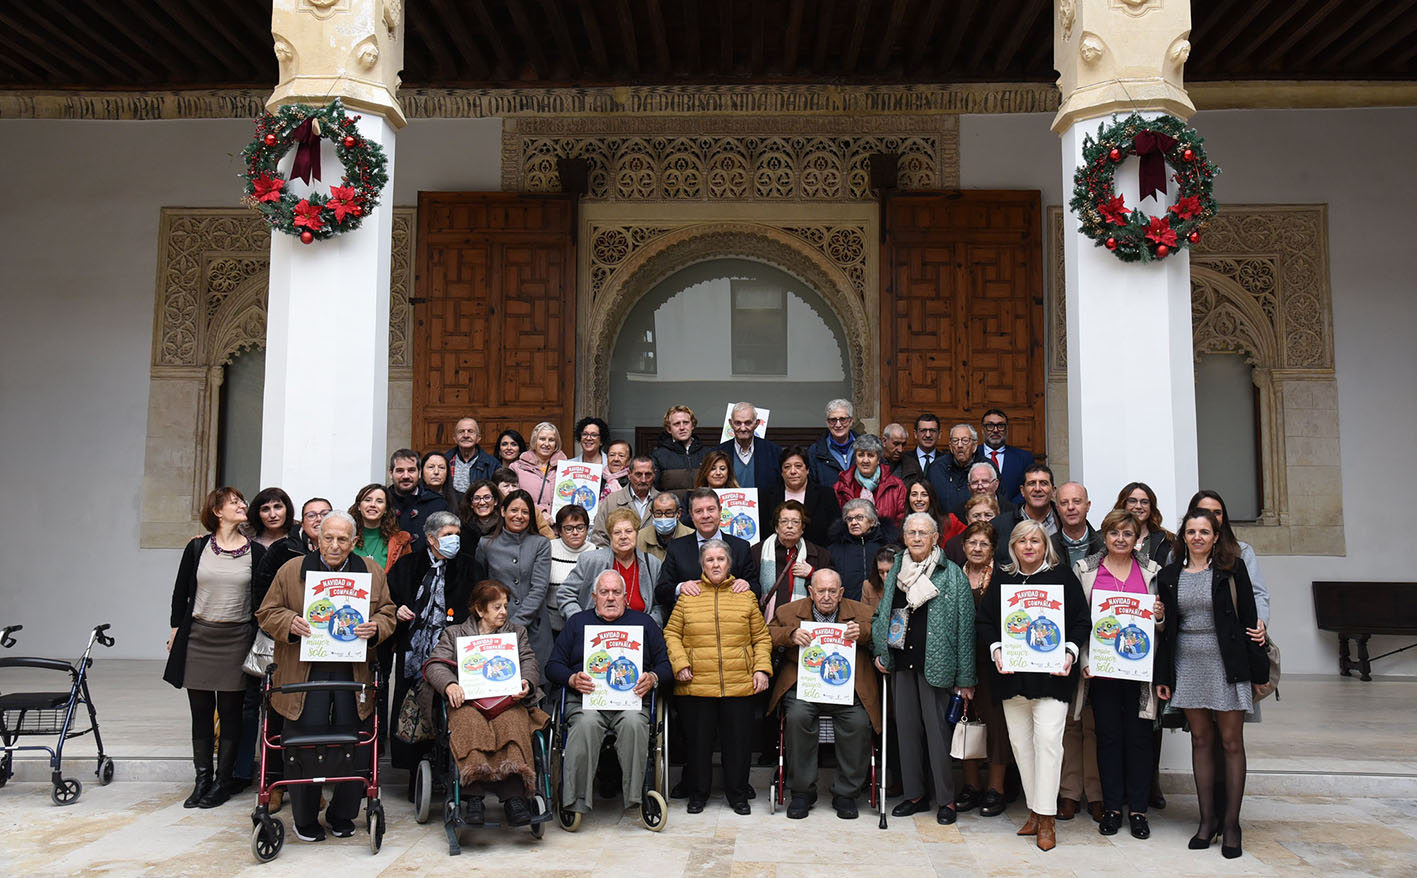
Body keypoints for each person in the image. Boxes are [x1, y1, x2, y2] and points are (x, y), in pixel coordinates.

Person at [256, 510, 395, 842]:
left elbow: (388, 611)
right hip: (303, 672)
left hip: (353, 671)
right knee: (303, 745)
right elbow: (266, 612)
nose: (334, 545)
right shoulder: (292, 571)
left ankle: (342, 814)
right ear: (317, 538)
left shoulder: (372, 571)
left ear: (354, 542)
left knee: (354, 744)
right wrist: (289, 621)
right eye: (328, 538)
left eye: (342, 539)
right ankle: (304, 819)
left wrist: (377, 627)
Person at [1155, 509, 1270, 860]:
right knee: (1202, 740)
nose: (1198, 537)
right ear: (1183, 537)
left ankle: (1232, 824)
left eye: (1204, 531)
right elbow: (1167, 629)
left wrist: (1258, 670)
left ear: (1216, 536)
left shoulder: (1231, 570)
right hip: (1187, 662)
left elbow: (1250, 619)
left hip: (1227, 663)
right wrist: (1163, 674)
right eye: (1191, 532)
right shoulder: (1170, 574)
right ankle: (1207, 822)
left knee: (1231, 741)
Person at [976, 519, 1090, 852]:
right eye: (1022, 541)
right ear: (1013, 546)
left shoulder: (1062, 577)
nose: (1029, 546)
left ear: (1045, 546)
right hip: (1012, 678)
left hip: (1053, 678)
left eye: (1035, 541)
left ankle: (1047, 818)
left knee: (1049, 744)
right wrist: (997, 649)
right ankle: (1034, 810)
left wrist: (1069, 652)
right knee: (1022, 748)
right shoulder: (1003, 579)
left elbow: (1082, 620)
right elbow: (985, 621)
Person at [164, 487, 266, 809]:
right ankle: (202, 780)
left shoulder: (256, 552)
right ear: (217, 511)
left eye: (242, 502)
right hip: (198, 637)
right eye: (234, 502)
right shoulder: (197, 548)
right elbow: (180, 593)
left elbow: (261, 600)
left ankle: (223, 782)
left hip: (236, 638)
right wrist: (175, 631)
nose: (242, 506)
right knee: (201, 713)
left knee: (232, 714)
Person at [870, 512, 975, 826]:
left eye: (923, 533)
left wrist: (966, 678)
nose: (916, 538)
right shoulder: (897, 570)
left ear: (935, 537)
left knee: (938, 735)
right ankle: (914, 795)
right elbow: (883, 615)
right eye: (911, 532)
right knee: (907, 733)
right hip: (902, 663)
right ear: (904, 537)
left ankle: (946, 799)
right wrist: (881, 651)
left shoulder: (951, 573)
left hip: (937, 663)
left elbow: (965, 628)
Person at [545, 570, 674, 819]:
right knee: (585, 725)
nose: (611, 598)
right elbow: (553, 666)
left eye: (616, 592)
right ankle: (574, 800)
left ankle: (638, 796)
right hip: (586, 702)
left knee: (635, 725)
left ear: (626, 596)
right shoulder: (577, 623)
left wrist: (653, 678)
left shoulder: (644, 623)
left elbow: (666, 666)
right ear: (594, 596)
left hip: (631, 702)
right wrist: (572, 678)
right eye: (604, 592)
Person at [419, 580, 548, 828]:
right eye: (496, 607)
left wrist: (526, 682)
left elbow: (529, 661)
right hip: (469, 701)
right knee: (468, 722)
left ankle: (514, 798)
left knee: (512, 722)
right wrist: (449, 685)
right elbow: (436, 664)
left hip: (506, 700)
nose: (503, 612)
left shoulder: (516, 633)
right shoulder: (455, 633)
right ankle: (473, 797)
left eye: (505, 606)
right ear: (479, 609)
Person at [1071, 509, 1163, 839]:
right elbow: (1079, 620)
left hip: (1140, 672)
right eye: (1114, 533)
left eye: (1127, 534)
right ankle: (1111, 808)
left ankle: (1137, 811)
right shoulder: (1086, 570)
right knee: (1108, 739)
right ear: (1104, 536)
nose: (1120, 539)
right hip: (1103, 671)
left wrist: (1160, 617)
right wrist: (1083, 658)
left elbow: (1163, 627)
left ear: (1137, 538)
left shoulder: (1151, 570)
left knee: (1139, 739)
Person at [664, 539, 773, 815]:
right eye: (709, 560)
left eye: (720, 559)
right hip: (696, 683)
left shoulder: (745, 595)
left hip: (739, 684)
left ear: (729, 563)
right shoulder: (689, 595)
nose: (715, 564)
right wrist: (680, 663)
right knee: (698, 745)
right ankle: (698, 795)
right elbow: (671, 634)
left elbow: (761, 637)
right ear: (702, 564)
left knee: (738, 745)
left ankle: (737, 794)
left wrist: (761, 668)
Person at [768, 569, 878, 820]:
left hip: (846, 691)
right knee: (796, 718)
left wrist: (864, 633)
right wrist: (790, 635)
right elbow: (766, 634)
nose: (826, 596)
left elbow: (881, 634)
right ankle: (802, 792)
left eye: (832, 591)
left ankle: (847, 793)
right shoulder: (788, 611)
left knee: (859, 722)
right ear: (811, 592)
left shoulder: (863, 612)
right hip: (804, 690)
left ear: (841, 593)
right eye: (821, 591)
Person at [386, 511, 480, 772]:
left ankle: (451, 769)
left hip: (454, 653)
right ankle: (414, 771)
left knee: (451, 709)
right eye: (447, 535)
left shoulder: (471, 567)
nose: (454, 540)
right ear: (431, 538)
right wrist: (396, 610)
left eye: (456, 535)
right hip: (414, 650)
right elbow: (387, 600)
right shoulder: (407, 566)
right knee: (413, 708)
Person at [951, 523, 1013, 819]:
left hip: (995, 665)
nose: (977, 548)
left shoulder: (1004, 577)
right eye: (972, 542)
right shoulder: (952, 578)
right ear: (963, 546)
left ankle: (996, 788)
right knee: (966, 722)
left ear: (993, 548)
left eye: (983, 544)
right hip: (961, 663)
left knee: (997, 727)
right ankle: (971, 785)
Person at [474, 488, 554, 667]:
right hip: (496, 625)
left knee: (534, 682)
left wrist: (515, 625)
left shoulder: (541, 543)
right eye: (514, 510)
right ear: (503, 511)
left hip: (534, 625)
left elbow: (539, 588)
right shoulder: (486, 544)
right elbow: (481, 586)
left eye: (525, 512)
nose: (519, 516)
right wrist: (499, 624)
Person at [655, 488, 758, 613]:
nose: (705, 515)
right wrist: (680, 587)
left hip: (731, 619)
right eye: (698, 511)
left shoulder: (740, 547)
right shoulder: (676, 548)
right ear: (691, 515)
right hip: (691, 620)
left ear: (720, 511)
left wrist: (747, 585)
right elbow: (661, 592)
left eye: (711, 509)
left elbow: (756, 588)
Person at [557, 508, 664, 624]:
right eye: (617, 532)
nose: (623, 536)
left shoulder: (653, 564)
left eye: (629, 531)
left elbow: (660, 604)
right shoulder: (590, 560)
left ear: (637, 533)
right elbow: (565, 594)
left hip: (640, 633)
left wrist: (650, 624)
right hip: (596, 631)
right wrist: (580, 621)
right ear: (610, 536)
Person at [1186, 491, 1270, 626]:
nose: (1211, 516)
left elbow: (1257, 593)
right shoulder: (1176, 555)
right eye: (1205, 511)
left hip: (1232, 634)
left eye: (1217, 512)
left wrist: (1260, 621)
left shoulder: (1241, 551)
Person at [752, 499, 833, 621]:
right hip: (765, 622)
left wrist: (812, 573)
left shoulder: (820, 555)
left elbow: (832, 589)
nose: (789, 526)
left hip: (805, 624)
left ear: (802, 528)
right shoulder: (757, 552)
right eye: (784, 521)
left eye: (795, 522)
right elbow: (751, 585)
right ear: (776, 527)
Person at [759, 446, 842, 548]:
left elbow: (836, 531)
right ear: (781, 472)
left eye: (798, 466)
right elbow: (763, 531)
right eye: (787, 467)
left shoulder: (826, 495)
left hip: (818, 556)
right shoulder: (767, 496)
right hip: (777, 556)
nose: (793, 471)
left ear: (807, 470)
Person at [827, 498, 896, 603]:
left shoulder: (888, 547)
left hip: (883, 608)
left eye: (859, 517)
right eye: (849, 519)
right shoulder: (834, 550)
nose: (854, 522)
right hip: (846, 610)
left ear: (872, 521)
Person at [990, 464, 1060, 562]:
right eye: (1032, 483)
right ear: (1022, 491)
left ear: (1053, 491)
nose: (1037, 488)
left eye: (1043, 483)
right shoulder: (999, 526)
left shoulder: (1064, 522)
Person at [833, 434, 907, 526]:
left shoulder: (897, 486)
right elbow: (837, 523)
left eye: (871, 455)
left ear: (878, 459)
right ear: (855, 458)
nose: (865, 460)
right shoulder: (841, 487)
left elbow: (901, 520)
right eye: (861, 455)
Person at [592, 455, 660, 547]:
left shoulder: (662, 501)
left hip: (653, 559)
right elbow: (599, 538)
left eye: (648, 475)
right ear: (629, 474)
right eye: (638, 474)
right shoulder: (612, 501)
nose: (643, 480)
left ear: (654, 475)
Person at [713, 402, 783, 490]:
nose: (742, 428)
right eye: (738, 423)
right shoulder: (718, 452)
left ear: (756, 424)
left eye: (748, 423)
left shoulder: (774, 452)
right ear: (731, 423)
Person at [349, 483, 413, 572]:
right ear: (359, 506)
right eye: (368, 500)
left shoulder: (400, 541)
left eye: (379, 501)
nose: (373, 505)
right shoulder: (346, 538)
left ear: (386, 509)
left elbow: (405, 575)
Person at [549, 505, 594, 631]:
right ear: (559, 530)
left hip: (587, 627)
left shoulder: (597, 553)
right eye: (569, 529)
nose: (575, 533)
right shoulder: (548, 549)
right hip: (551, 626)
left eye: (580, 528)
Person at [979, 409, 1037, 505]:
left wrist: (1010, 508)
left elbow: (1029, 486)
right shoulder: (973, 455)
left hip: (1014, 513)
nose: (995, 430)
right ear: (982, 429)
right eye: (990, 426)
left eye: (1000, 426)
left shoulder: (1024, 458)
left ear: (1007, 429)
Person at [388, 448, 449, 540]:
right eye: (400, 471)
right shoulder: (383, 502)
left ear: (419, 473)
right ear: (391, 473)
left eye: (411, 470)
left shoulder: (437, 504)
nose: (406, 476)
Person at [511, 421, 569, 518]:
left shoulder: (567, 469)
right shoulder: (516, 468)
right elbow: (513, 498)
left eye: (551, 440)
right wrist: (541, 512)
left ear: (556, 444)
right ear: (534, 441)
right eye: (542, 439)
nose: (546, 444)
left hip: (559, 526)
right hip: (528, 525)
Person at [651, 404, 708, 494]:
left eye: (686, 422)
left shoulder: (707, 454)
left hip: (701, 507)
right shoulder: (658, 456)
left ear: (692, 426)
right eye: (676, 424)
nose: (682, 427)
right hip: (673, 507)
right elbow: (653, 490)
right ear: (669, 429)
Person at [1114, 482, 1174, 566]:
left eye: (1144, 502)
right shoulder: (1104, 537)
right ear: (1123, 504)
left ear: (1151, 507)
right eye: (1132, 501)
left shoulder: (1168, 539)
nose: (1138, 506)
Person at [926, 424, 979, 513]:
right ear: (950, 446)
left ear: (974, 446)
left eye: (965, 441)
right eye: (955, 441)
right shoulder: (937, 468)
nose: (959, 445)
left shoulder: (986, 468)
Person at [494, 466, 556, 539]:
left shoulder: (531, 509)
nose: (511, 490)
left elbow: (549, 535)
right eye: (506, 486)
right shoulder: (492, 508)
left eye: (514, 486)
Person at [903, 475, 963, 548]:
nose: (918, 499)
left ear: (931, 498)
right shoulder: (903, 524)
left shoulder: (949, 521)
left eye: (924, 495)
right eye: (914, 494)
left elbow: (970, 537)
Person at [806, 399, 857, 486]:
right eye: (833, 420)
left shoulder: (866, 447)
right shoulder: (814, 452)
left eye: (843, 419)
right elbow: (812, 487)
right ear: (827, 423)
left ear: (851, 421)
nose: (838, 425)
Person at [1053, 482, 1102, 569]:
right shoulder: (1048, 547)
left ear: (1088, 506)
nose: (1070, 507)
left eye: (1077, 501)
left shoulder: (1104, 545)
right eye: (1064, 503)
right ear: (1058, 509)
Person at [445, 417, 498, 493]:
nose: (466, 435)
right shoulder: (445, 461)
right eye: (461, 432)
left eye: (470, 431)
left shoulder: (492, 464)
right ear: (455, 438)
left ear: (478, 438)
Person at [944, 494, 999, 565]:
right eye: (976, 516)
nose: (982, 519)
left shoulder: (1006, 541)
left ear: (997, 516)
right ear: (967, 518)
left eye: (988, 515)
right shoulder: (953, 545)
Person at [637, 492, 692, 562]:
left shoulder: (691, 536)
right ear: (652, 513)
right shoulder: (640, 537)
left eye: (668, 513)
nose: (663, 517)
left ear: (678, 513)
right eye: (658, 513)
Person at [895, 413, 942, 481]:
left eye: (932, 431)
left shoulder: (946, 461)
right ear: (915, 434)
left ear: (939, 434)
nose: (928, 435)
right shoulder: (903, 459)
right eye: (923, 431)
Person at [865, 545, 899, 612]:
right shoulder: (868, 587)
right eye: (881, 572)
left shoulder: (908, 587)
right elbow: (864, 616)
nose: (885, 577)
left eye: (889, 572)